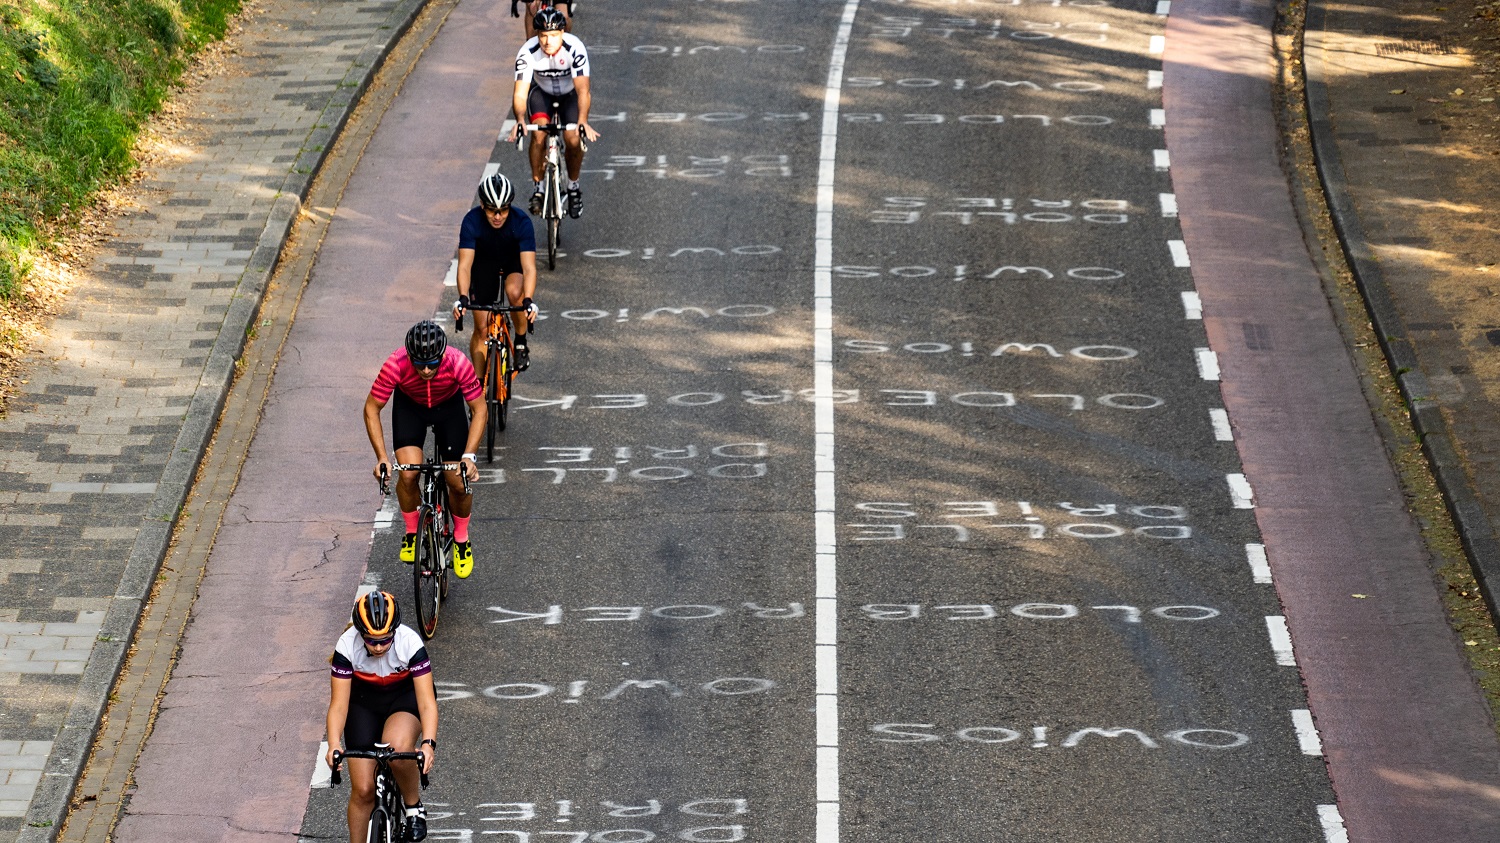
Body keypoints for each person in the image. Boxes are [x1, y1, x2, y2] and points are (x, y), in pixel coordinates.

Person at [363, 321, 484, 577]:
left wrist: (469, 457)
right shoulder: (396, 364)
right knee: (407, 473)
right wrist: (382, 458)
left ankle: (461, 540)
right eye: (419, 364)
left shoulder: (458, 362)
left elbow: (479, 409)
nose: (427, 370)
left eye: (432, 364)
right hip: (411, 408)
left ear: (443, 355)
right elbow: (371, 409)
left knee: (459, 482)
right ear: (410, 357)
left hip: (448, 408)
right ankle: (411, 531)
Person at [325, 591, 438, 843]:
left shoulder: (410, 642)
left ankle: (413, 807)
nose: (378, 647)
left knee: (397, 749)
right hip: (363, 703)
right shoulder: (346, 645)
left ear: (395, 631)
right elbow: (339, 706)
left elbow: (427, 703)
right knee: (363, 790)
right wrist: (334, 744)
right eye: (371, 640)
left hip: (404, 699)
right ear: (360, 634)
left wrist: (428, 744)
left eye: (385, 640)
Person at [507, 8, 600, 220]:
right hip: (542, 94)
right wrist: (520, 120)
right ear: (537, 35)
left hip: (569, 95)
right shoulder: (527, 52)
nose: (548, 41)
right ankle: (538, 188)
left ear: (562, 32)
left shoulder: (575, 48)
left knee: (573, 138)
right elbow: (521, 93)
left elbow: (583, 90)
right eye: (543, 36)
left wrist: (583, 120)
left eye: (554, 35)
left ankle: (573, 187)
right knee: (538, 134)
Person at [453, 172, 539, 374]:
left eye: (503, 210)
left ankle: (519, 342)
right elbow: (465, 265)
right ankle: (480, 390)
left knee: (515, 292)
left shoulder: (522, 222)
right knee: (482, 329)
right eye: (492, 211)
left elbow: (529, 268)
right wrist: (463, 298)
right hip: (483, 264)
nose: (498, 216)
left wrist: (528, 300)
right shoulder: (471, 221)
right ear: (482, 205)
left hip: (512, 261)